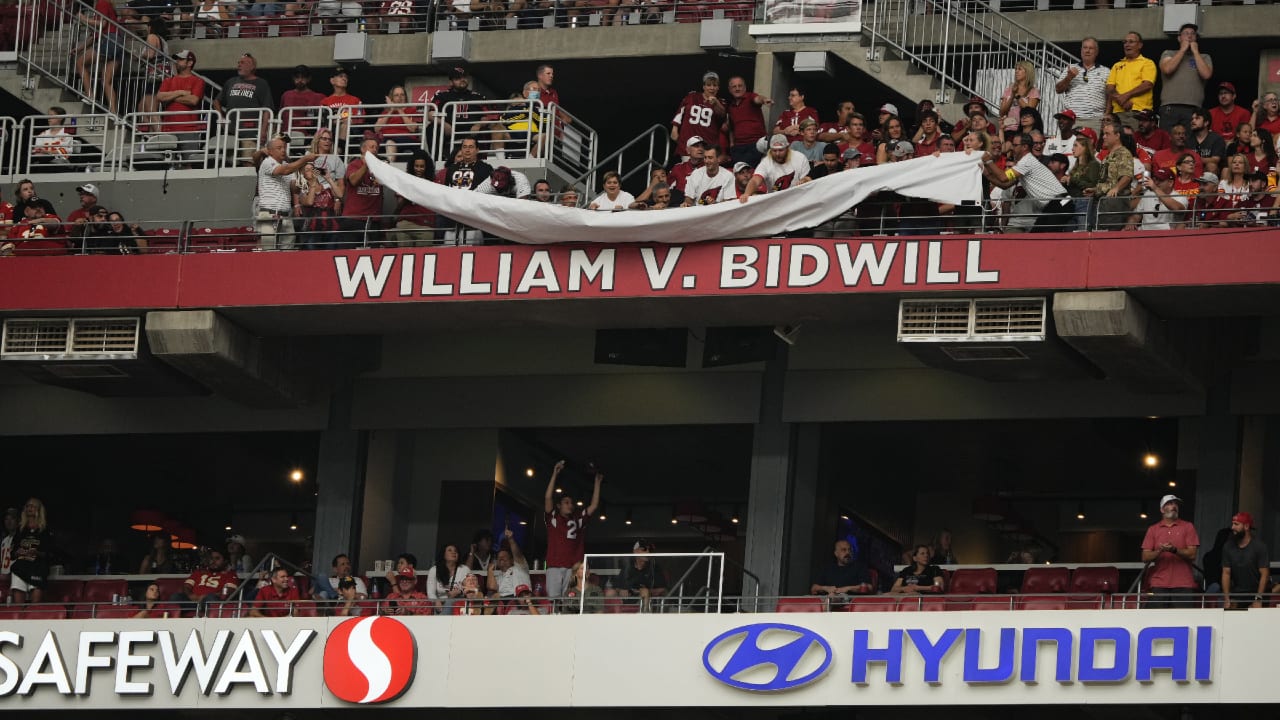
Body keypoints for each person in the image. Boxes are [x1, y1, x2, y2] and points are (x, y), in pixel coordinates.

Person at [981, 132, 1069, 233]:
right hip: (1054, 205)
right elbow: (1005, 185)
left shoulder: (1027, 161)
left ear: (1024, 147)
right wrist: (987, 175)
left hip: (1059, 203)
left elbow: (1003, 177)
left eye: (1015, 145)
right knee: (1037, 236)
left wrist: (988, 161)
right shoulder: (1024, 163)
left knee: (1043, 240)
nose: (1012, 148)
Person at [543, 459, 603, 598]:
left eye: (571, 503)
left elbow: (593, 506)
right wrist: (554, 474)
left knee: (569, 600)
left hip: (572, 567)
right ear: (559, 505)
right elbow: (547, 498)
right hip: (554, 565)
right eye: (566, 502)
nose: (570, 505)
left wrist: (597, 483)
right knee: (554, 599)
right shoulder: (553, 518)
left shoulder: (578, 519)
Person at [1140, 494, 1200, 608]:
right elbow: (1145, 557)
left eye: (1175, 504)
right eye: (1170, 503)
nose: (1174, 506)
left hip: (1184, 583)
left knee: (1185, 621)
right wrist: (1160, 550)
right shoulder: (1153, 529)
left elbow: (1192, 554)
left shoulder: (1188, 526)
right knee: (1155, 621)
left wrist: (1174, 550)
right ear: (1162, 509)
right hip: (1159, 583)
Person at [257, 135, 315, 251]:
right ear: (270, 151)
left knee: (288, 251)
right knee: (268, 252)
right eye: (279, 148)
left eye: (284, 147)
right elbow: (284, 171)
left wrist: (303, 175)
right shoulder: (267, 162)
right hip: (269, 214)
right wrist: (304, 159)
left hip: (286, 215)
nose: (283, 150)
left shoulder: (287, 166)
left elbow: (295, 189)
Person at [215, 53, 274, 166]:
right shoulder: (231, 82)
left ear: (252, 67)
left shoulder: (261, 83)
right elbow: (216, 101)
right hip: (231, 133)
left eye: (243, 63)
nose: (239, 65)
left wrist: (263, 131)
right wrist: (221, 117)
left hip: (251, 133)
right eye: (238, 63)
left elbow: (267, 109)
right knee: (228, 165)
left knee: (248, 163)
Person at [1157, 23, 1212, 134]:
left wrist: (1196, 52)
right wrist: (1182, 50)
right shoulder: (1168, 53)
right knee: (1168, 141)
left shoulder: (1204, 57)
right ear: (1179, 38)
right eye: (1186, 33)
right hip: (1170, 107)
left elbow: (1206, 74)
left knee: (1189, 143)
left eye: (1193, 34)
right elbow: (1167, 69)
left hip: (1193, 109)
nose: (1190, 36)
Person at [1055, 37, 1109, 134]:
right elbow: (1058, 90)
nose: (1087, 51)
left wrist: (1107, 115)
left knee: (1092, 149)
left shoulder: (1106, 71)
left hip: (1095, 120)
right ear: (1081, 50)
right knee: (1071, 148)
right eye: (1085, 48)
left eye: (1091, 48)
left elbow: (1110, 96)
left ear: (1096, 52)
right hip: (1072, 119)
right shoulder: (1070, 68)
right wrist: (1069, 77)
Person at [1106, 32, 1157, 131]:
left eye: (1131, 42)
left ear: (1140, 45)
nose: (1127, 44)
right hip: (1117, 113)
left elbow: (1147, 84)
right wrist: (1121, 100)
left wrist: (1126, 96)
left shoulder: (1147, 63)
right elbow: (1109, 88)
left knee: (1134, 144)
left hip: (1138, 113)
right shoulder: (1117, 65)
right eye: (1125, 42)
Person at [671, 71, 726, 161]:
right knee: (688, 172)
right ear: (703, 86)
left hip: (708, 146)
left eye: (715, 85)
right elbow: (680, 112)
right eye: (709, 85)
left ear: (718, 88)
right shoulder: (692, 96)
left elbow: (722, 115)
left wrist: (716, 103)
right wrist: (675, 128)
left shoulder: (721, 102)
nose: (712, 88)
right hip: (689, 145)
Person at [738, 134, 809, 202]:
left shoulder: (800, 158)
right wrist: (747, 193)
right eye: (774, 151)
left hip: (798, 198)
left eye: (781, 150)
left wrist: (804, 180)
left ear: (787, 148)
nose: (777, 154)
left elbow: (808, 179)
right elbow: (755, 180)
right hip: (775, 202)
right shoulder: (766, 162)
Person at [1091, 122, 1136, 230]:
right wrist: (1094, 190)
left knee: (1109, 234)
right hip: (1102, 201)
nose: (1104, 137)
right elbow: (1107, 179)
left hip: (1115, 203)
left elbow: (1127, 176)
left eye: (1107, 134)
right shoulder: (1108, 156)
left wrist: (1117, 188)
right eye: (1103, 134)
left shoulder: (1123, 153)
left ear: (1117, 136)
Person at [1221, 511, 1269, 609]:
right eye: (1232, 524)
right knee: (1231, 609)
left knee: (1256, 613)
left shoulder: (1259, 546)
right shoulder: (1228, 546)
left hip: (1257, 592)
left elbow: (1265, 574)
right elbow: (1226, 573)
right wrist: (1227, 598)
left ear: (1246, 526)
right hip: (1238, 592)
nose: (1232, 527)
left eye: (1236, 524)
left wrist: (1258, 598)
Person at [8, 498, 52, 604]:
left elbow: (49, 553)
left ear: (38, 509)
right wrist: (17, 552)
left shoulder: (44, 530)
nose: (29, 508)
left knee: (35, 604)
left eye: (32, 506)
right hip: (20, 566)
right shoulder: (21, 529)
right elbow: (12, 553)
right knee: (18, 604)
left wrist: (36, 553)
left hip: (37, 568)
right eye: (27, 506)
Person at [172, 548, 239, 612]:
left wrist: (205, 597)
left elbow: (229, 591)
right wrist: (190, 595)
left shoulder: (230, 574)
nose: (213, 561)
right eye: (211, 558)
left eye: (217, 558)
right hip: (193, 602)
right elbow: (186, 586)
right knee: (176, 597)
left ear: (225, 561)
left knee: (210, 598)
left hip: (210, 601)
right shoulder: (199, 572)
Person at [295, 161, 343, 250]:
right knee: (313, 256)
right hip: (312, 230)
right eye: (307, 170)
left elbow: (340, 195)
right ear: (304, 175)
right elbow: (309, 202)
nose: (311, 171)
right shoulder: (303, 192)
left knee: (329, 254)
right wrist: (313, 183)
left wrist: (329, 179)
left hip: (330, 228)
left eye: (312, 169)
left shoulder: (327, 186)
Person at [609, 540, 667, 612]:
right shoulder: (627, 567)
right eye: (644, 549)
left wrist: (645, 591)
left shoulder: (654, 567)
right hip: (628, 600)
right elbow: (616, 586)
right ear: (635, 552)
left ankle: (643, 619)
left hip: (647, 601)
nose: (648, 552)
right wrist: (621, 590)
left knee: (644, 591)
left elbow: (662, 589)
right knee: (610, 592)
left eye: (650, 550)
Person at [726, 75, 771, 166]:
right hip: (739, 147)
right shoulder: (730, 107)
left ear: (745, 87)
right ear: (730, 90)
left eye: (740, 86)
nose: (737, 89)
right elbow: (731, 128)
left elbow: (758, 99)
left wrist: (764, 100)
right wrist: (732, 144)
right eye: (734, 87)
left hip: (756, 144)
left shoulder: (750, 97)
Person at [1127, 166, 1186, 231]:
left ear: (1170, 183)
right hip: (1144, 232)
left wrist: (1155, 188)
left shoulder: (1180, 198)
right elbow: (1136, 216)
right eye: (1155, 179)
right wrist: (1131, 222)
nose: (1156, 183)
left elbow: (1177, 209)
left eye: (1160, 180)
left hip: (1166, 235)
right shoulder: (1148, 194)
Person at [373, 85, 421, 163]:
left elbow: (413, 128)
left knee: (390, 142)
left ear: (405, 97)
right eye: (396, 95)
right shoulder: (386, 112)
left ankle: (389, 167)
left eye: (402, 95)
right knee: (388, 142)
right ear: (392, 98)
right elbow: (376, 129)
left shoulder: (412, 110)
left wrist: (399, 109)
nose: (400, 97)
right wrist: (391, 110)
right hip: (386, 140)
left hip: (405, 140)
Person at [278, 65, 327, 135]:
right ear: (293, 78)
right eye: (297, 77)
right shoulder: (286, 95)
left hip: (309, 137)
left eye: (303, 77)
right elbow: (280, 116)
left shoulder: (319, 97)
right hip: (286, 135)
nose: (300, 80)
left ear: (309, 79)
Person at [486, 528, 531, 599]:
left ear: (512, 560)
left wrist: (511, 540)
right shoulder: (499, 576)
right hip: (503, 603)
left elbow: (517, 555)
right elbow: (492, 587)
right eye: (499, 557)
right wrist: (490, 571)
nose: (501, 558)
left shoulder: (520, 567)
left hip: (520, 600)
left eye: (504, 556)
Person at [999, 60, 1040, 135]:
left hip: (1024, 129)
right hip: (1008, 128)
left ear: (1027, 72)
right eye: (1016, 69)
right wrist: (1012, 95)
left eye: (1020, 69)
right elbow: (1002, 113)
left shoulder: (1033, 91)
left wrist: (1017, 95)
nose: (1016, 71)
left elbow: (1030, 111)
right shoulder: (1008, 90)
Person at [425, 543, 470, 610]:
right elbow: (431, 593)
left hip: (460, 604)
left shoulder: (465, 569)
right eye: (450, 550)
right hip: (441, 604)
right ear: (443, 554)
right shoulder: (434, 570)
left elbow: (471, 588)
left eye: (456, 551)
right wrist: (436, 601)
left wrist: (460, 591)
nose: (454, 552)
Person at [1188, 109, 1227, 175]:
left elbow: (1215, 160)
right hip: (1191, 169)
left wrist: (1195, 159)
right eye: (1192, 119)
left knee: (1212, 166)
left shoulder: (1217, 139)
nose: (1193, 121)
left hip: (1207, 171)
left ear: (1206, 123)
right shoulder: (1187, 139)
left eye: (1197, 118)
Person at [0, 507, 19, 576]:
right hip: (3, 579)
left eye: (12, 518)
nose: (9, 521)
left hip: (15, 578)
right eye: (6, 519)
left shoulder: (21, 539)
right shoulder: (4, 540)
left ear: (18, 520)